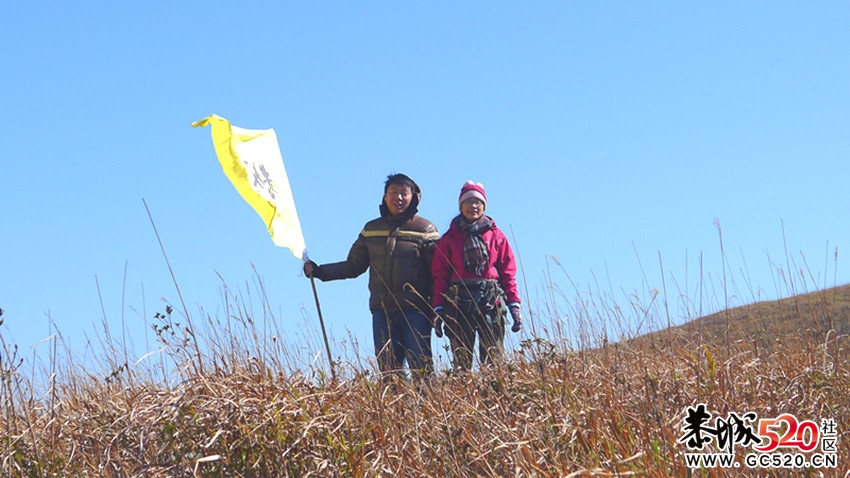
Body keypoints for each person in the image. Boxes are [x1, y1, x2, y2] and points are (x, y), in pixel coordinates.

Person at [303, 173, 439, 379]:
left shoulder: (425, 229)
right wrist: (320, 271)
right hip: (382, 312)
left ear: (414, 197)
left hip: (415, 312)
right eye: (393, 192)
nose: (398, 198)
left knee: (422, 369)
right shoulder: (371, 229)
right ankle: (395, 411)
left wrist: (436, 307)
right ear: (385, 197)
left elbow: (437, 273)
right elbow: (353, 266)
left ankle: (429, 410)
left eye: (404, 193)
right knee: (389, 372)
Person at [431, 181, 523, 371]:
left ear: (484, 206)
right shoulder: (448, 239)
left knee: (493, 360)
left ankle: (494, 397)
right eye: (468, 202)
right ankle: (464, 397)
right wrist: (439, 308)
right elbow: (440, 276)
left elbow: (507, 273)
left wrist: (514, 304)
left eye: (478, 202)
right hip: (458, 303)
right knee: (461, 360)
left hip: (491, 301)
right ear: (460, 206)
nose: (473, 206)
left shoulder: (497, 236)